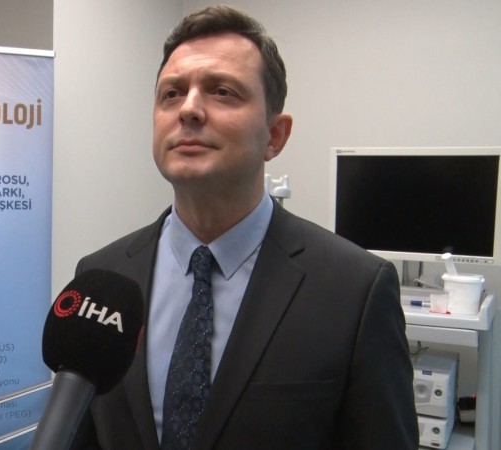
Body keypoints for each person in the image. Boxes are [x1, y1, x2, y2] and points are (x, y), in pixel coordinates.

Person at [70, 5, 418, 449]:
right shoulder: (102, 278)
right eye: (172, 94)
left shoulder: (356, 292)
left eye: (222, 92)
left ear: (275, 135)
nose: (189, 109)